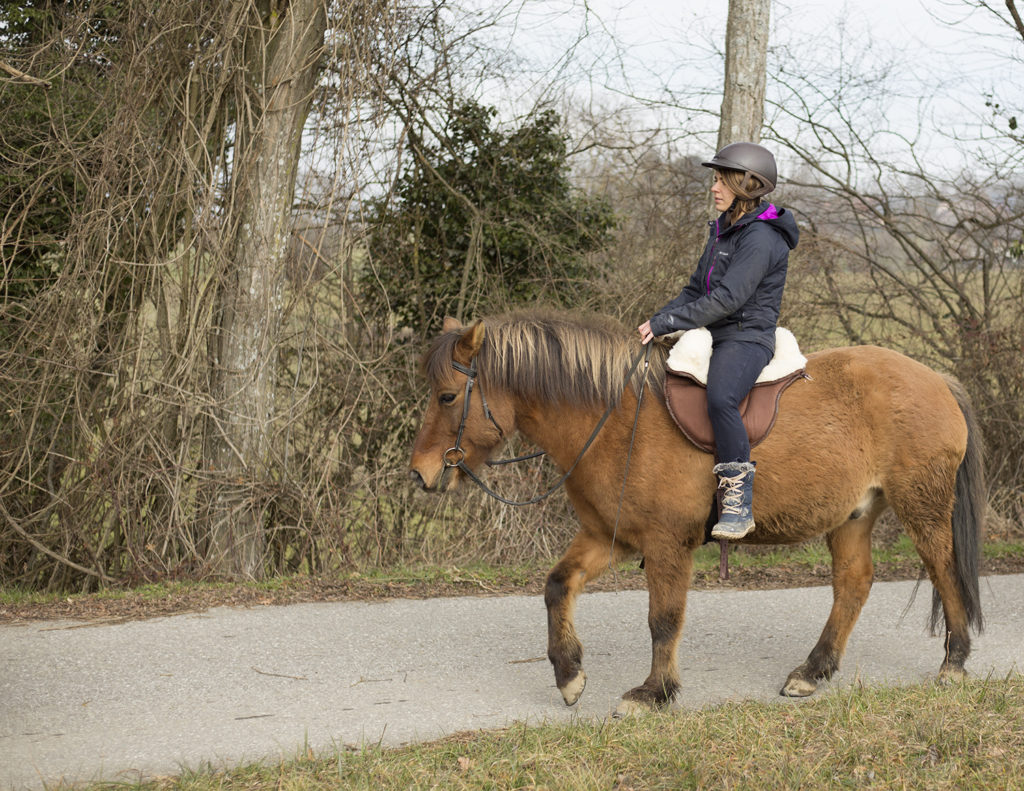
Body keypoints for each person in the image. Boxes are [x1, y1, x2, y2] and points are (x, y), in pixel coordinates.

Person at [637, 142, 799, 540]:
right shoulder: (723, 231)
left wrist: (669, 323)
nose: (714, 188)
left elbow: (728, 299)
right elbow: (695, 290)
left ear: (747, 184)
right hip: (714, 332)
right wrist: (655, 321)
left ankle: (737, 502)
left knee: (721, 397)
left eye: (721, 180)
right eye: (714, 179)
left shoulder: (761, 238)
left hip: (746, 337)